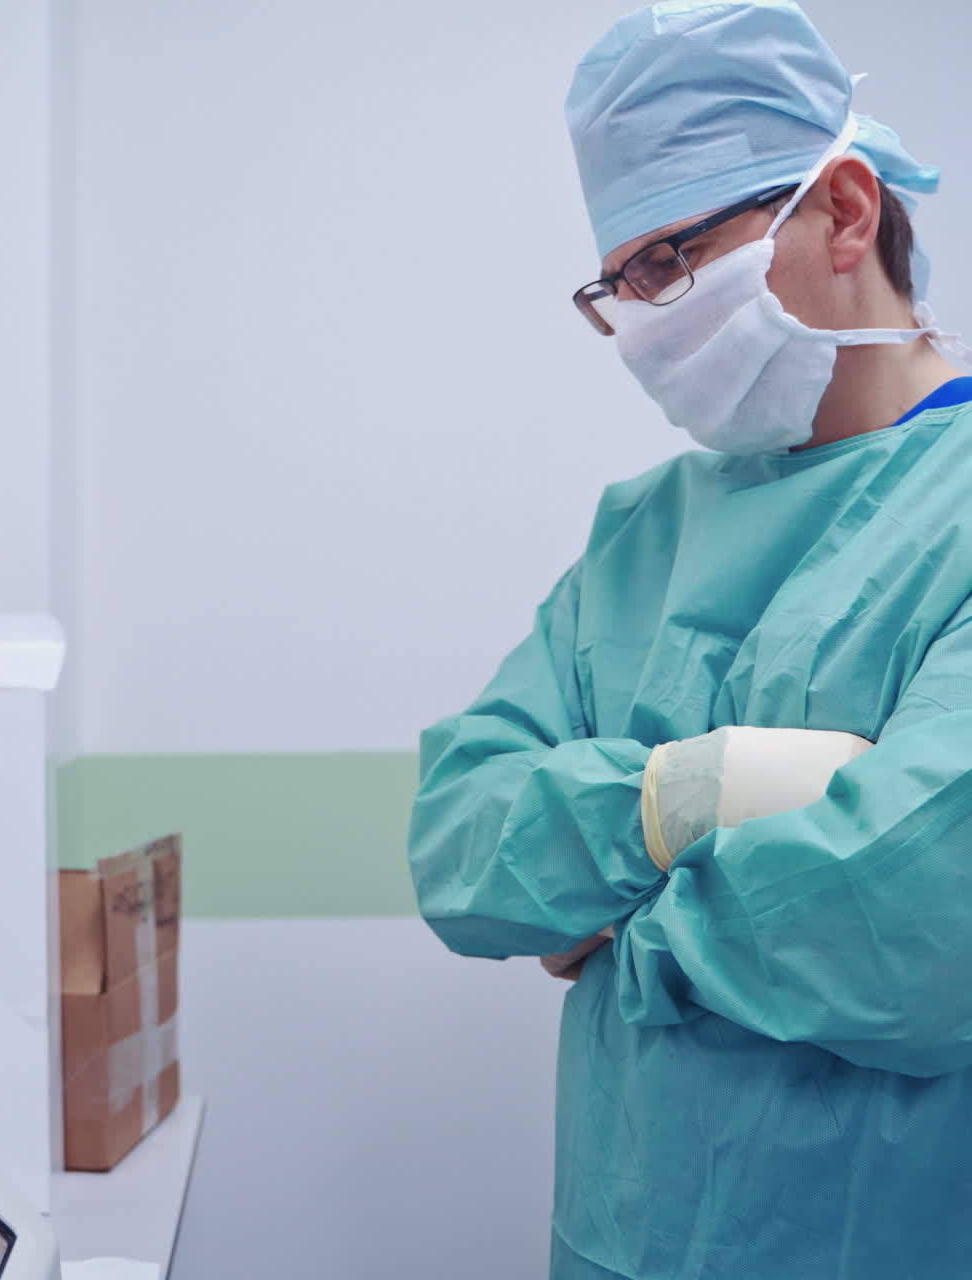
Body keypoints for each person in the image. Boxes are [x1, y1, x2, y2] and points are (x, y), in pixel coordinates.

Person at [407, 2, 972, 1277]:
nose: (643, 314)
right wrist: (682, 799)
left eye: (670, 261)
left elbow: (925, 928)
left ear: (841, 210)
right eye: (619, 282)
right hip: (621, 1237)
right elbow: (454, 836)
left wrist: (610, 925)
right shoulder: (643, 533)